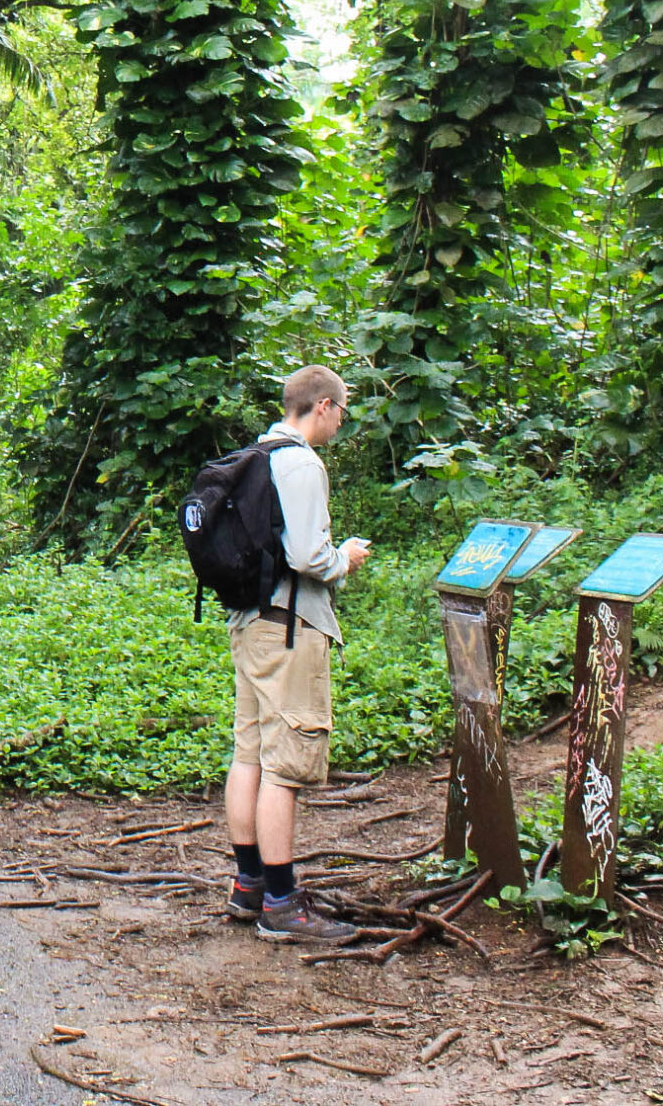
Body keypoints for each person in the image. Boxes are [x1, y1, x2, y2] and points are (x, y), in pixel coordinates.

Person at [222, 365, 372, 943]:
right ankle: (282, 907)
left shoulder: (257, 453)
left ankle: (248, 886)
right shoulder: (304, 464)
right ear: (324, 407)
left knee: (250, 753)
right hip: (290, 625)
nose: (340, 421)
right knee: (285, 767)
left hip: (249, 621)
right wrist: (346, 559)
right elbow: (310, 556)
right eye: (341, 411)